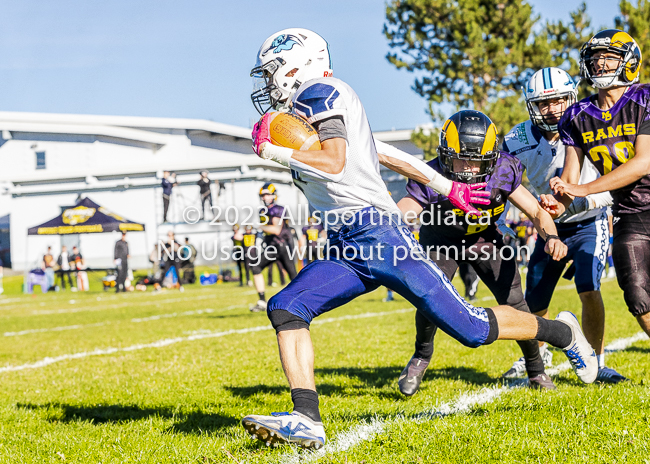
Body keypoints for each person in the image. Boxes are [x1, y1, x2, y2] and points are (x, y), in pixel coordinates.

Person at [241, 28, 597, 450]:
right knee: (286, 307)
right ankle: (307, 419)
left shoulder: (320, 91)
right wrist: (450, 189)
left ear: (294, 67)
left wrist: (275, 151)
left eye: (270, 73)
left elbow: (335, 163)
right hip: (346, 243)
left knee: (469, 329)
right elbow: (388, 154)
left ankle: (562, 333)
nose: (267, 84)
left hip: (377, 234)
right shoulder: (311, 112)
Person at [397, 110, 566, 396]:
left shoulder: (504, 169)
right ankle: (421, 356)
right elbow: (405, 208)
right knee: (429, 299)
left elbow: (536, 210)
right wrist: (392, 221)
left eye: (477, 160)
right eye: (461, 158)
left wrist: (551, 236)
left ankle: (536, 368)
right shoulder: (431, 173)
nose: (469, 168)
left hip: (485, 239)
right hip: (442, 241)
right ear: (445, 153)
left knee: (515, 303)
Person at [501, 66, 624, 383]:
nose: (553, 109)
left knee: (588, 287)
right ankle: (535, 357)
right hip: (548, 227)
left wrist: (581, 201)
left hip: (587, 221)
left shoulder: (593, 125)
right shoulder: (517, 138)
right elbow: (502, 183)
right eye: (545, 103)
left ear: (571, 98)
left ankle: (596, 361)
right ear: (532, 106)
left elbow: (618, 185)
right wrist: (505, 220)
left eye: (559, 101)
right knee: (535, 298)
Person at [546, 29, 650, 341]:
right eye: (595, 58)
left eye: (609, 57)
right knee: (637, 294)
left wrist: (585, 190)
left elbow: (643, 162)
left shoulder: (644, 99)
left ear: (628, 61)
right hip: (631, 212)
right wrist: (558, 202)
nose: (601, 64)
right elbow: (570, 179)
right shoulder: (577, 116)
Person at [249, 183, 298, 312]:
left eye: (268, 194)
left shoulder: (278, 209)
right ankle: (262, 301)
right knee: (255, 267)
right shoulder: (263, 211)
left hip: (282, 245)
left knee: (293, 275)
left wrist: (259, 227)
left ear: (274, 195)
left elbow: (276, 229)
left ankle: (304, 300)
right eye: (263, 195)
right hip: (271, 246)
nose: (265, 197)